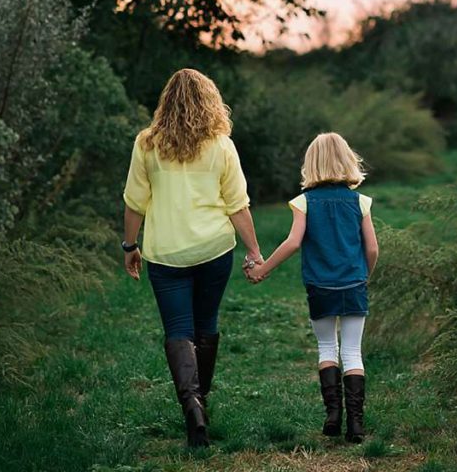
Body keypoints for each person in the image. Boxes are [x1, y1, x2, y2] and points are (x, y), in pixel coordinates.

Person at [122, 68, 262, 448]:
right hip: (214, 249)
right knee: (206, 324)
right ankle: (203, 401)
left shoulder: (146, 144)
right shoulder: (221, 144)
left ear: (166, 101)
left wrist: (130, 246)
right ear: (209, 101)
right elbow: (238, 205)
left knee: (178, 330)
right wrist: (253, 250)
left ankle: (192, 408)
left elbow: (135, 202)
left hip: (166, 254)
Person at [246, 132, 379, 443]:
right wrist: (364, 275)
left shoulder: (304, 202)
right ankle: (356, 426)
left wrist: (263, 269)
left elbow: (293, 242)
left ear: (311, 164)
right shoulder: (360, 201)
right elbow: (372, 249)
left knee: (327, 348)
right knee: (352, 351)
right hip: (353, 283)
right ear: (348, 159)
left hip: (320, 286)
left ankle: (333, 415)